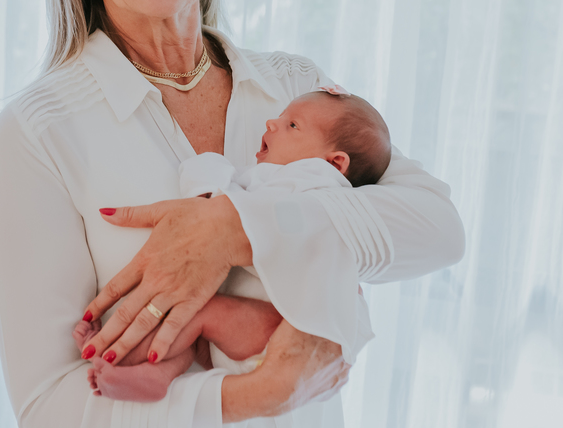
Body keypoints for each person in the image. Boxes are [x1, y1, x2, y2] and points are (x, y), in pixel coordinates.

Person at [0, 0, 465, 428]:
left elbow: (438, 229)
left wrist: (237, 229)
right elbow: (48, 409)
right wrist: (256, 394)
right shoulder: (39, 131)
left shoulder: (295, 90)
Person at [75, 86, 391, 403]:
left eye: (292, 125)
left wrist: (209, 176)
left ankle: (117, 353)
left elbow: (242, 210)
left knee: (197, 313)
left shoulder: (316, 182)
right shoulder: (279, 180)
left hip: (280, 331)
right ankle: (160, 374)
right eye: (281, 117)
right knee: (198, 326)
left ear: (335, 163)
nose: (271, 123)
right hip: (255, 330)